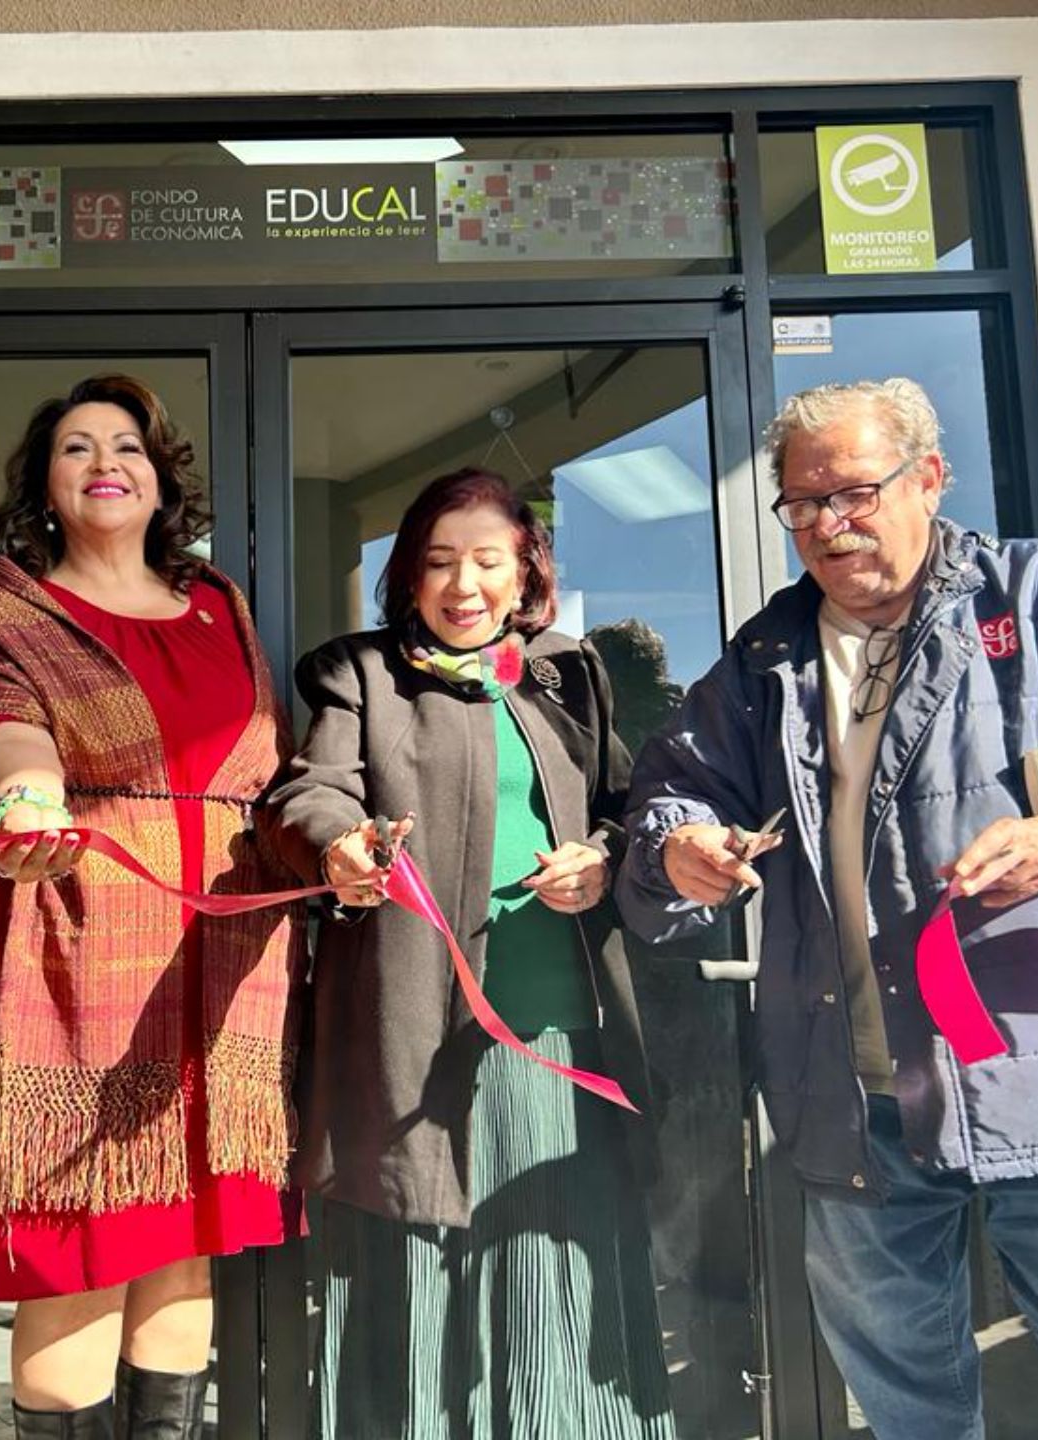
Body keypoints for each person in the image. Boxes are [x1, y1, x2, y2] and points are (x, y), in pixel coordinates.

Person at [616, 378, 1038, 1439]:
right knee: (910, 1414)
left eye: (852, 492)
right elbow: (672, 794)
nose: (828, 525)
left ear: (930, 479)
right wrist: (680, 848)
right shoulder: (767, 656)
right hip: (855, 1111)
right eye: (801, 506)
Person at [260, 468, 675, 1440]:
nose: (464, 585)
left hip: (555, 1039)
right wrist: (341, 846)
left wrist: (603, 862)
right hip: (411, 1040)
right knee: (414, 1289)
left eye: (488, 561)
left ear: (525, 572)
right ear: (407, 575)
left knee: (550, 1286)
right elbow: (310, 790)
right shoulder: (355, 673)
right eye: (440, 563)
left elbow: (626, 812)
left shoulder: (570, 675)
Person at [0, 374, 302, 1438]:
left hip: (223, 958)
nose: (107, 462)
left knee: (185, 1265)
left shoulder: (217, 604)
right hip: (72, 944)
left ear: (158, 476)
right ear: (45, 487)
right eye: (78, 447)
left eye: (128, 445)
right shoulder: (7, 604)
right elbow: (0, 721)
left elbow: (260, 766)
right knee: (81, 1248)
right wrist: (27, 794)